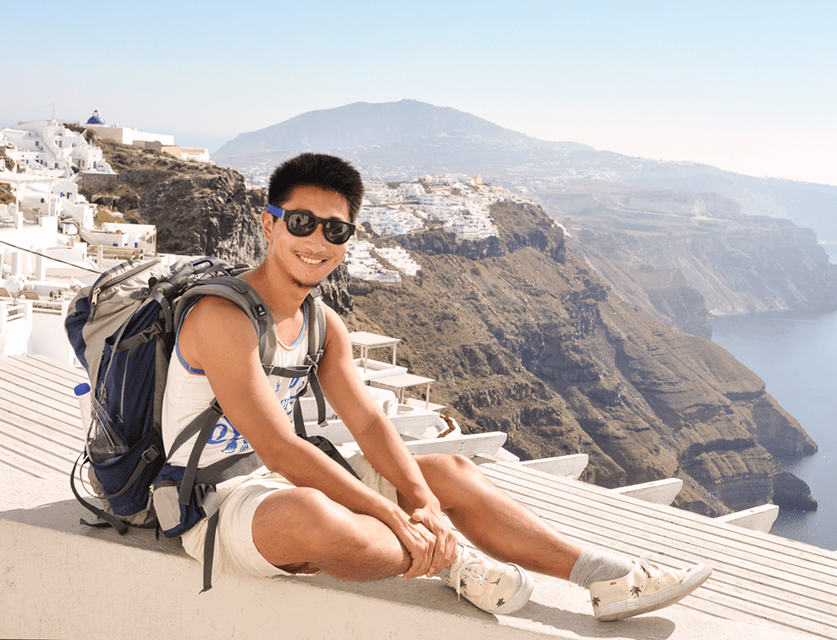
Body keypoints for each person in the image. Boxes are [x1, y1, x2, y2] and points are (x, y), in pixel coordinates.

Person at [159, 152, 712, 621]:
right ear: (269, 224)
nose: (317, 241)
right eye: (301, 222)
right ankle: (454, 563)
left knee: (451, 472)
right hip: (210, 502)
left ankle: (605, 576)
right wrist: (398, 516)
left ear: (347, 239)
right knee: (317, 514)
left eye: (336, 229)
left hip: (280, 483)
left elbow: (370, 422)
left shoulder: (324, 326)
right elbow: (280, 447)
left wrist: (423, 502)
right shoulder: (221, 316)